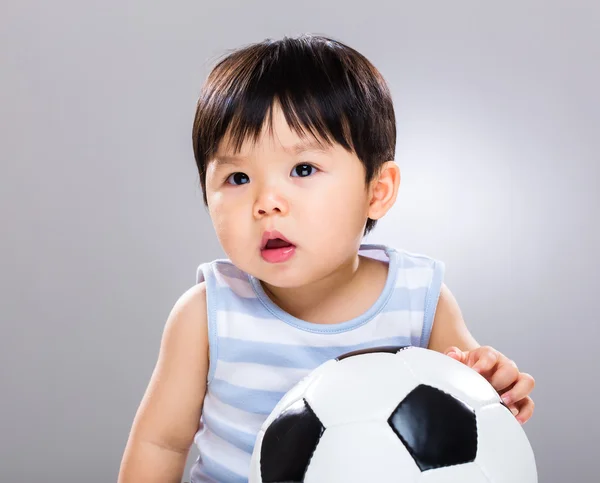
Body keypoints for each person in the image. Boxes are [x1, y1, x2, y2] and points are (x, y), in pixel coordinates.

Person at [118, 34, 535, 483]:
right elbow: (160, 443)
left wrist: (494, 384)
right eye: (238, 177)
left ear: (378, 191)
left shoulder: (420, 299)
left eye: (303, 169)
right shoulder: (207, 314)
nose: (266, 202)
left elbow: (469, 403)